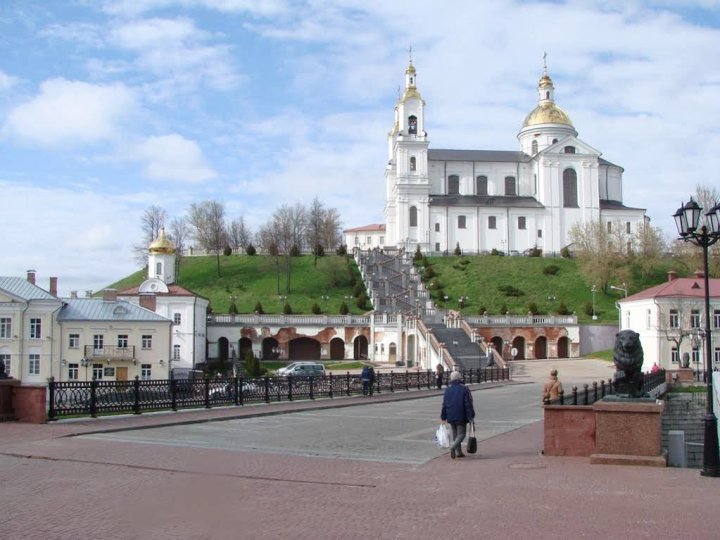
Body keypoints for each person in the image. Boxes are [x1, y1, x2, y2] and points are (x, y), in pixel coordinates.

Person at [440, 370, 475, 459]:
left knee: (455, 433)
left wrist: (443, 416)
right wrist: (471, 416)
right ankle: (454, 447)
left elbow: (444, 404)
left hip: (450, 414)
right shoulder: (464, 388)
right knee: (462, 434)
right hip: (461, 414)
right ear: (460, 378)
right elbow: (468, 403)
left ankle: (459, 452)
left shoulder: (448, 389)